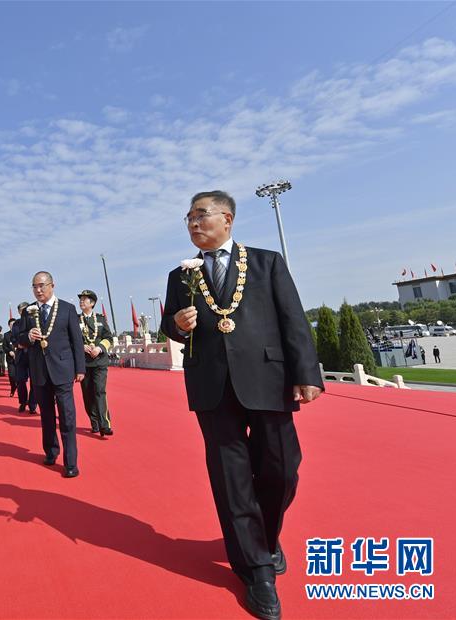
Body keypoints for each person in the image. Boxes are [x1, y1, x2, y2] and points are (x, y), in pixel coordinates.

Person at [162, 190, 323, 620]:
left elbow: (293, 318)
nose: (193, 223)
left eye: (201, 215)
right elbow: (170, 325)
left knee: (282, 468)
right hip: (211, 385)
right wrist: (177, 324)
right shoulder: (180, 276)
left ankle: (266, 537)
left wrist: (307, 373)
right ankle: (257, 571)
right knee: (231, 479)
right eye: (188, 218)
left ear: (227, 219)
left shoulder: (267, 262)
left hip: (268, 379)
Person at [18, 271, 85, 478]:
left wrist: (80, 369)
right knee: (46, 416)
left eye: (42, 285)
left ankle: (70, 462)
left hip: (63, 370)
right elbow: (18, 339)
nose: (38, 290)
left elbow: (77, 341)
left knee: (67, 417)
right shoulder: (28, 312)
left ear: (52, 285)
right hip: (39, 371)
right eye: (35, 286)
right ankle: (50, 451)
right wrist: (28, 336)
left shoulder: (67, 309)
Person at [77, 290, 114, 435]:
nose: (81, 301)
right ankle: (94, 423)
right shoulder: (75, 320)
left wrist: (99, 348)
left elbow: (109, 338)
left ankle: (105, 424)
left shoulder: (101, 319)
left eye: (85, 299)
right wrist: (81, 346)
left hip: (99, 362)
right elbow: (70, 339)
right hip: (84, 363)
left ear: (92, 303)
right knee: (88, 394)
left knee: (99, 391)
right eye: (80, 299)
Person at [12, 301, 37, 413]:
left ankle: (33, 405)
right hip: (21, 355)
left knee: (34, 382)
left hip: (33, 355)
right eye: (21, 311)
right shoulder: (16, 324)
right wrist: (18, 344)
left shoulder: (34, 320)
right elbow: (13, 338)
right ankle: (23, 402)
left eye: (25, 310)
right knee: (20, 380)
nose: (23, 312)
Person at [3, 318, 18, 396]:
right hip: (10, 359)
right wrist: (9, 351)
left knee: (20, 377)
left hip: (19, 358)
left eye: (14, 324)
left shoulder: (20, 333)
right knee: (11, 375)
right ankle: (13, 387)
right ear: (9, 325)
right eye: (11, 324)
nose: (13, 326)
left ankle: (21, 392)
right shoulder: (6, 335)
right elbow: (4, 346)